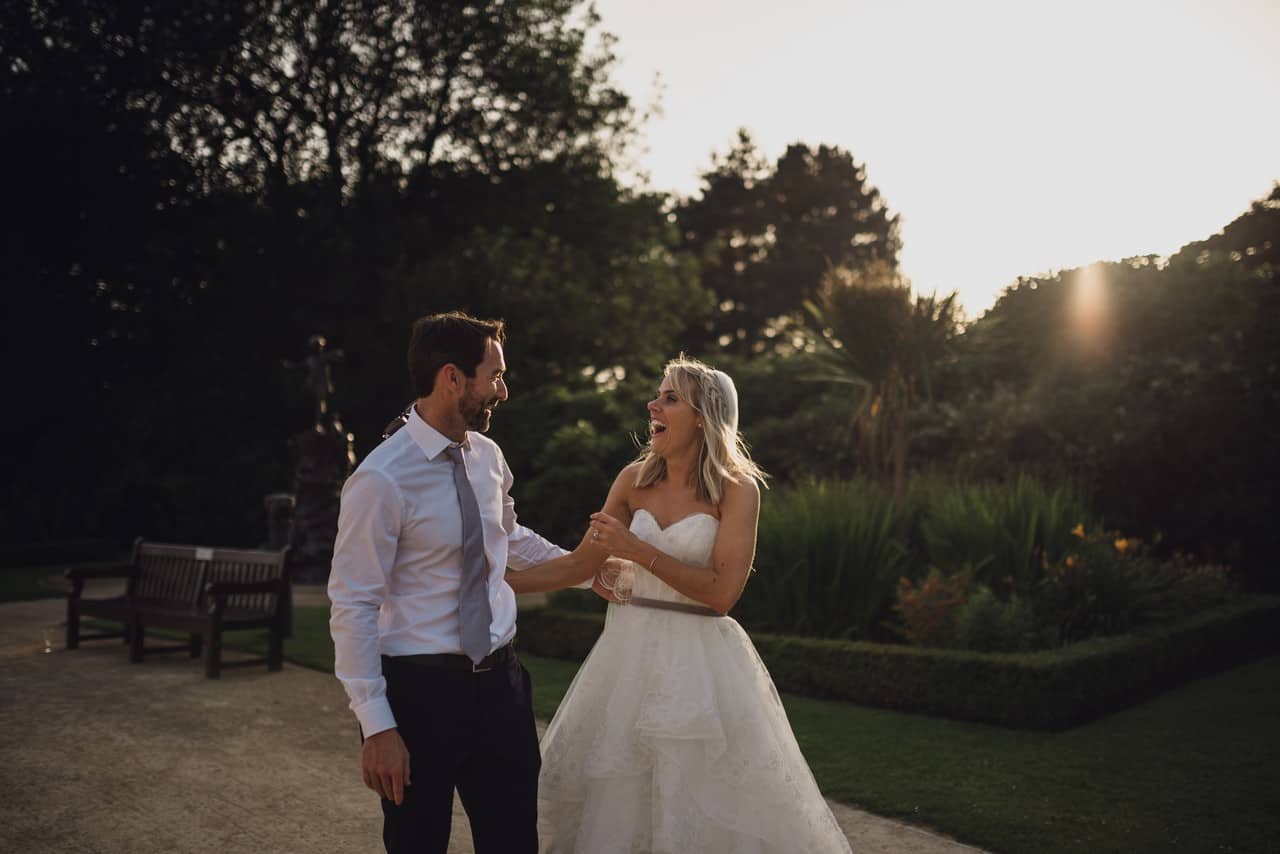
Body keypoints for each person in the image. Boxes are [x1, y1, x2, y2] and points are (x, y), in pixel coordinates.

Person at [507, 355, 853, 853]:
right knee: (619, 802)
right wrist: (500, 583)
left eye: (670, 397)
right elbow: (580, 566)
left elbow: (721, 594)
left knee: (696, 802)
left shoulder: (738, 491)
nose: (654, 404)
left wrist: (636, 550)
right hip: (626, 658)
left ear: (703, 416)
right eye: (658, 394)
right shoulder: (631, 480)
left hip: (700, 666)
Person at [327, 311, 572, 854]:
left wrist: (586, 567)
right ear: (452, 378)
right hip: (419, 698)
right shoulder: (379, 479)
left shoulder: (488, 457)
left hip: (504, 689)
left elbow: (508, 537)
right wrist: (377, 727)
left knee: (514, 843)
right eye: (495, 375)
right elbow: (353, 605)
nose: (503, 390)